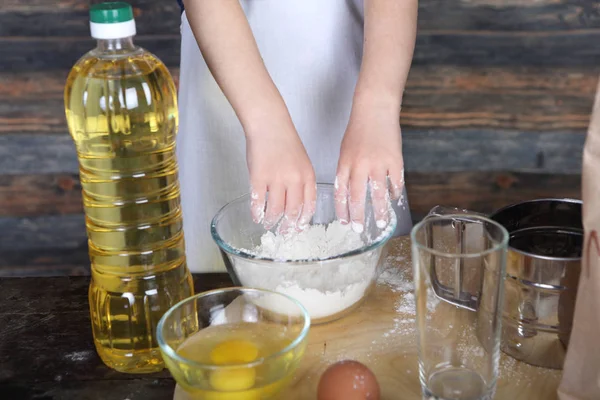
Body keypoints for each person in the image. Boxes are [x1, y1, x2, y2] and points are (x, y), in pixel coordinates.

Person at [176, 0, 418, 272]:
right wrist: (264, 120)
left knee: (380, 277)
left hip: (353, 88)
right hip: (230, 82)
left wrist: (378, 106)